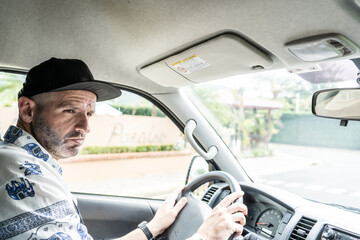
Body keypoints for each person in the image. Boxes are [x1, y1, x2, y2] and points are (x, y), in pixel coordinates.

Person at [0, 58, 247, 240]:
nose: (85, 126)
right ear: (27, 110)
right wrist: (205, 237)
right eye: (70, 110)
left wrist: (152, 227)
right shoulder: (21, 172)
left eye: (89, 113)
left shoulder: (33, 164)